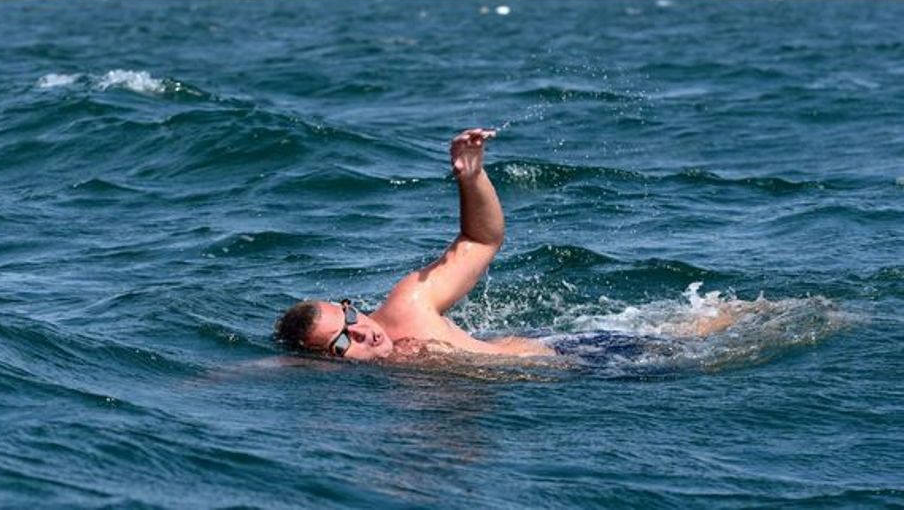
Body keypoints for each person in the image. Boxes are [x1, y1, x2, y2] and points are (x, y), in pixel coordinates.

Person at [274, 129, 739, 361]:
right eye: (342, 342)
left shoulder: (409, 305)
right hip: (568, 385)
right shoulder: (386, 381)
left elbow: (481, 239)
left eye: (351, 318)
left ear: (351, 305)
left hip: (592, 356)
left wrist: (471, 178)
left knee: (727, 332)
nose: (364, 333)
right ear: (328, 362)